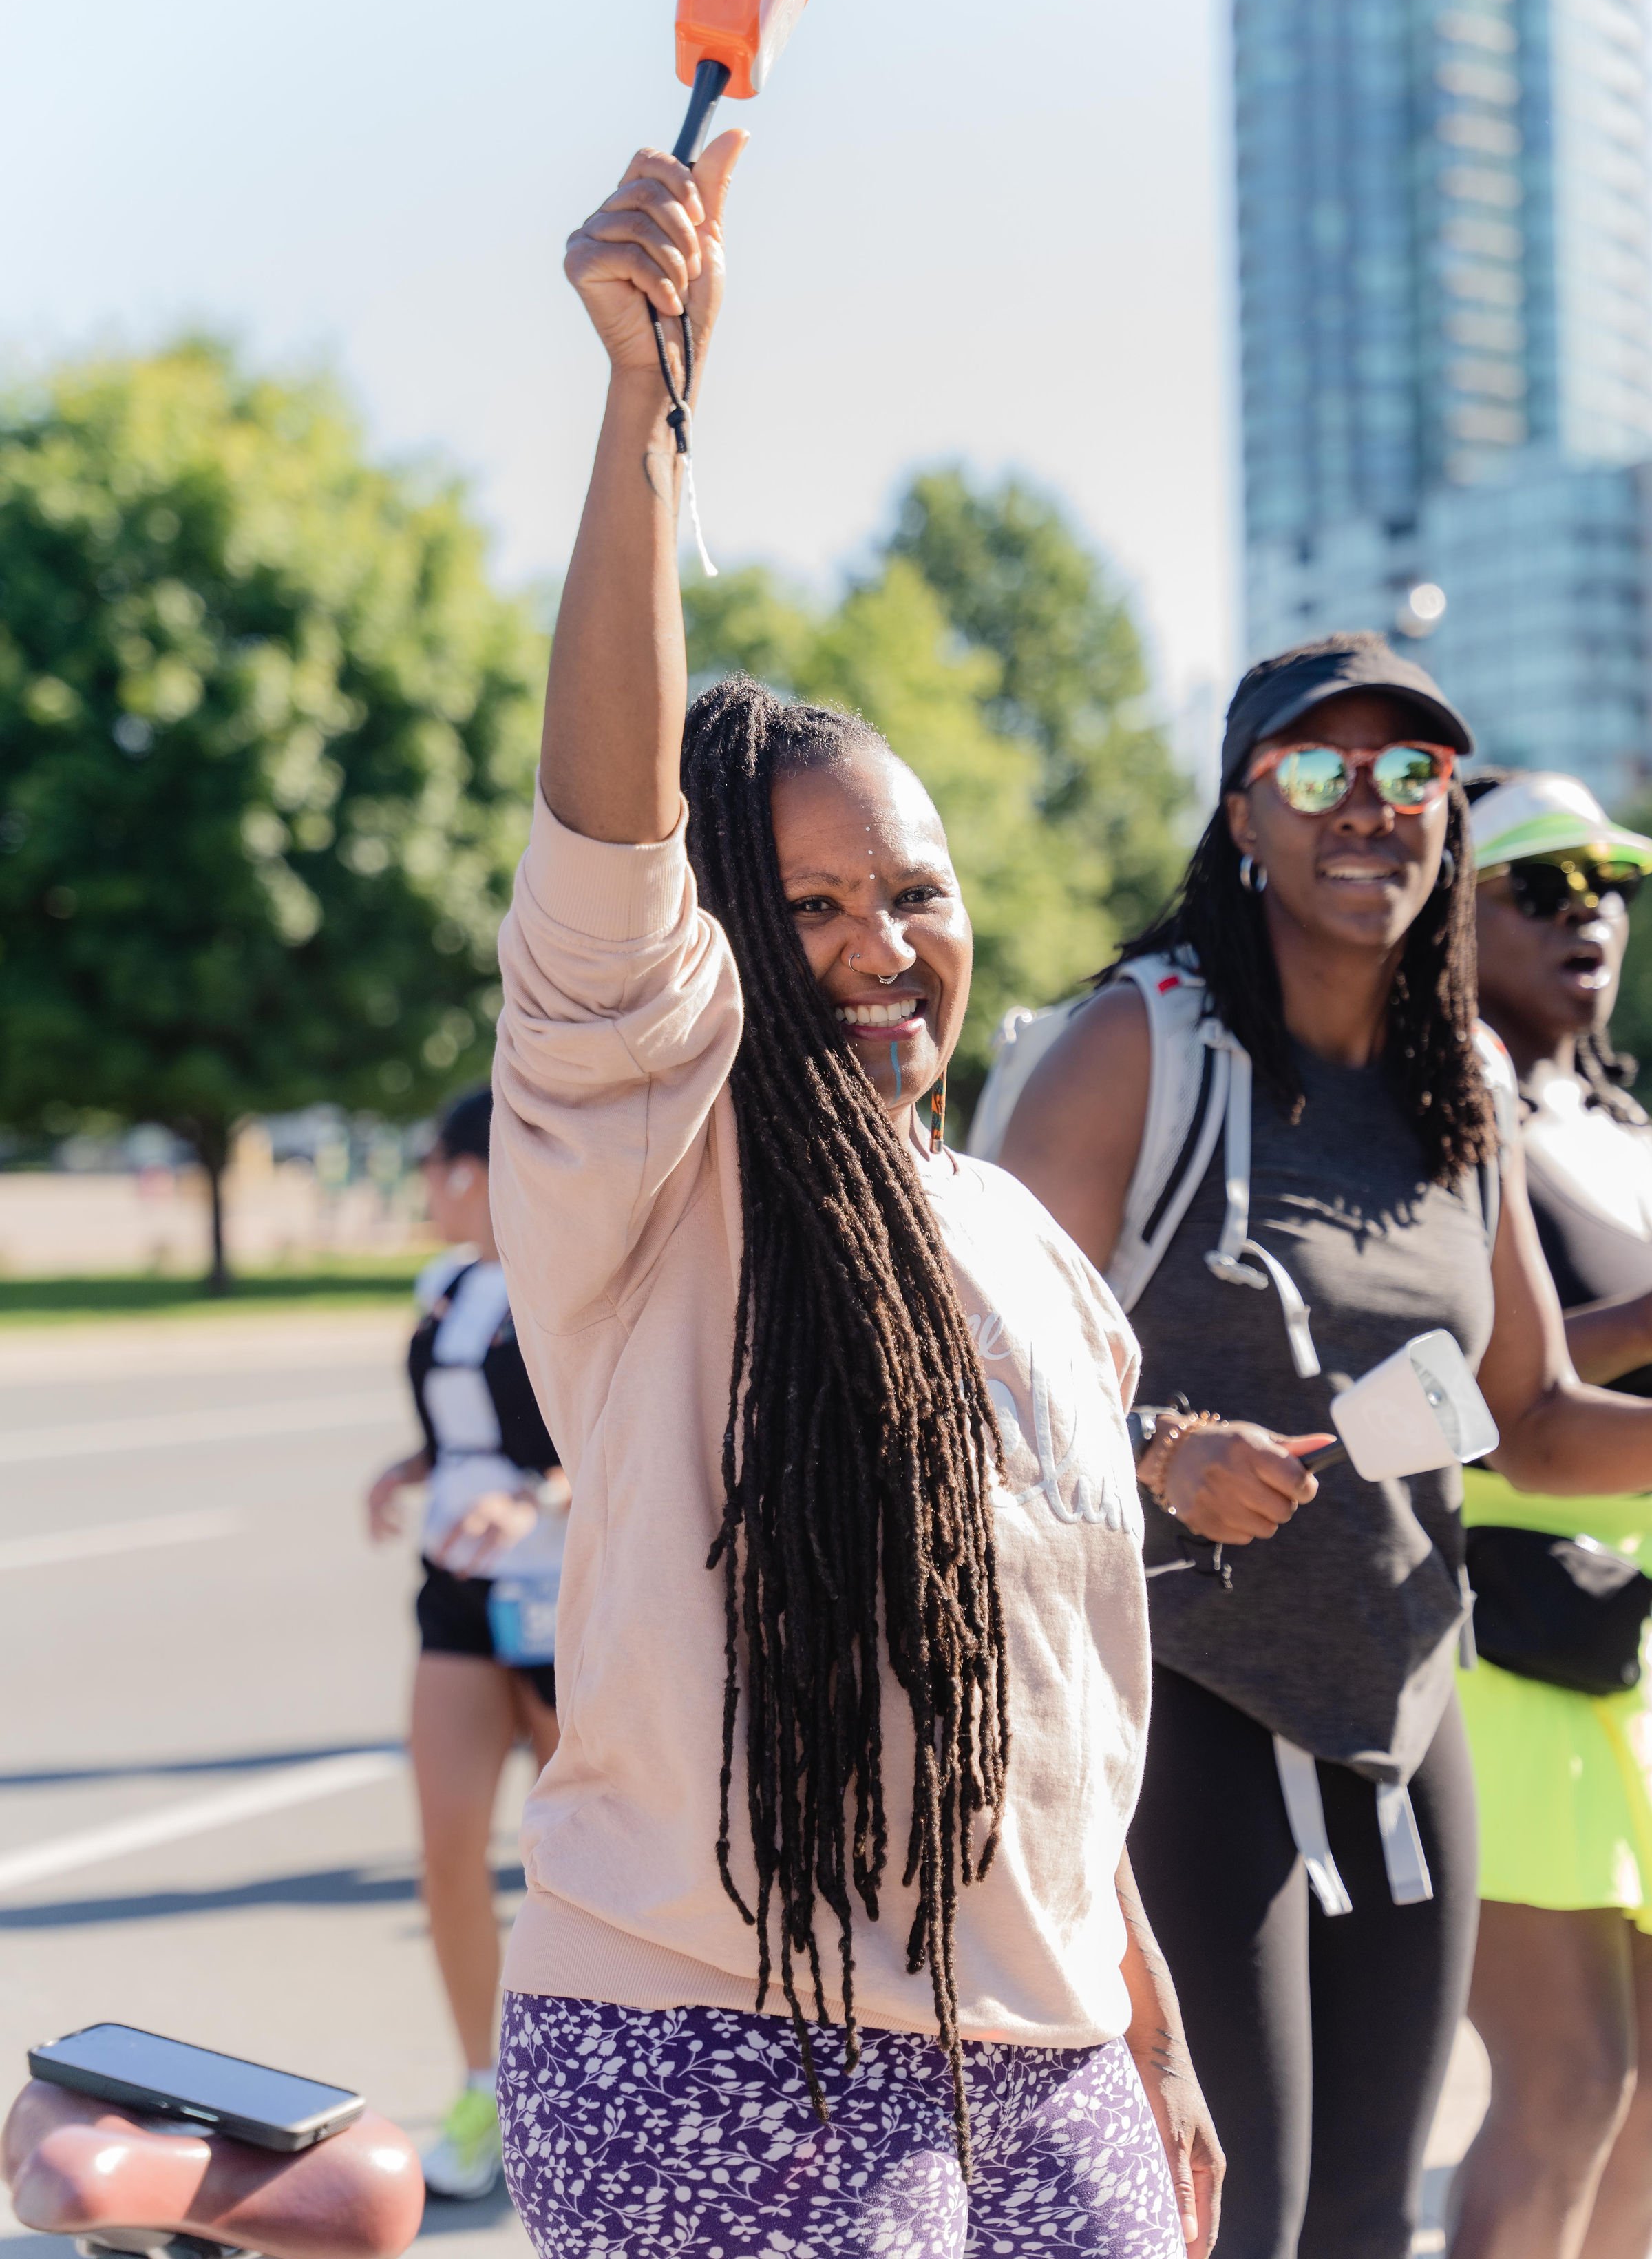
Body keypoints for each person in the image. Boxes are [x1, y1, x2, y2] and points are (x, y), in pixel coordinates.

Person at [482, 132, 1226, 2259]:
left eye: (916, 888)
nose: (886, 944)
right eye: (807, 904)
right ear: (722, 927)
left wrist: (1144, 2025)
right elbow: (609, 866)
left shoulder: (1023, 1252)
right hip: (721, 2050)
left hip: (1054, 2064)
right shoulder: (649, 1162)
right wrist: (648, 413)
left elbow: (1054, 1707)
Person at [997, 639, 1652, 2259]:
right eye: (1317, 773)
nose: (1369, 808)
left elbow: (1537, 1418)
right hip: (1183, 1707)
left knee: (1366, 2218)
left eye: (1412, 774)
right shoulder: (1136, 1050)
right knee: (1237, 2208)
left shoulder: (1464, 1092)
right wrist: (1160, 1446)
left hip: (1409, 1701)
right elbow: (970, 1363)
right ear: (1244, 818)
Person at [1447, 772, 1652, 2259]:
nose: (1589, 908)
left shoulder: (1615, 1109)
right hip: (1501, 1648)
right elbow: (1492, 1384)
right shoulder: (1435, 1103)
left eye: (1609, 879)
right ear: (1444, 920)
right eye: (1539, 883)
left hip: (1632, 1657)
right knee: (1573, 2074)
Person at [365, 1085, 568, 2201]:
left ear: (477, 1169)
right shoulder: (444, 1285)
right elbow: (463, 1423)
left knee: (575, 1860)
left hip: (565, 1594)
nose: (429, 1192)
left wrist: (538, 1500)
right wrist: (411, 1469)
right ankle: (483, 2086)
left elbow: (621, 1435)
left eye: (436, 1169)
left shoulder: (570, 1273)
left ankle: (575, 2090)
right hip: (456, 1592)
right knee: (448, 1846)